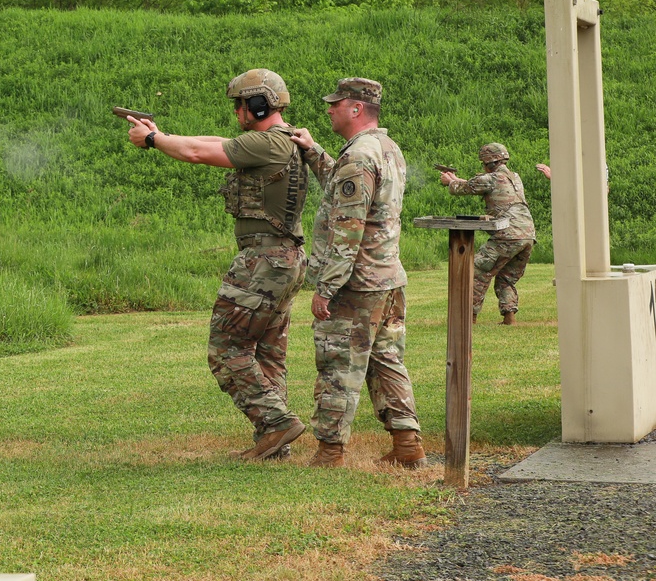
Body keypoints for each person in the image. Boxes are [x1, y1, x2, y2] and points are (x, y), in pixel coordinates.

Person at [124, 69, 309, 461]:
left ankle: (276, 423)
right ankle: (273, 438)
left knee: (226, 347)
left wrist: (154, 141)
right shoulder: (282, 140)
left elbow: (196, 153)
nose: (238, 112)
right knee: (267, 350)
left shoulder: (269, 144)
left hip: (263, 260)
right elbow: (214, 143)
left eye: (241, 104)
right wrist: (163, 135)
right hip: (283, 258)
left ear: (258, 104)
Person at [289, 78, 426, 469]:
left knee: (338, 364)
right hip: (388, 279)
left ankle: (330, 452)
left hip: (357, 283)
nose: (329, 109)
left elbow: (348, 229)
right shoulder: (385, 148)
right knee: (386, 360)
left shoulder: (358, 157)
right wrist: (314, 150)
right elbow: (347, 188)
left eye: (336, 104)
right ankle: (407, 445)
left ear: (356, 109)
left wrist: (326, 288)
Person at [440, 143, 536, 325]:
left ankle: (469, 318)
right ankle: (509, 317)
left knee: (476, 271)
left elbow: (464, 189)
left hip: (508, 234)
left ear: (489, 163)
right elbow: (476, 184)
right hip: (527, 235)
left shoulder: (491, 178)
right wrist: (456, 179)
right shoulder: (514, 177)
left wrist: (450, 182)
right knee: (506, 277)